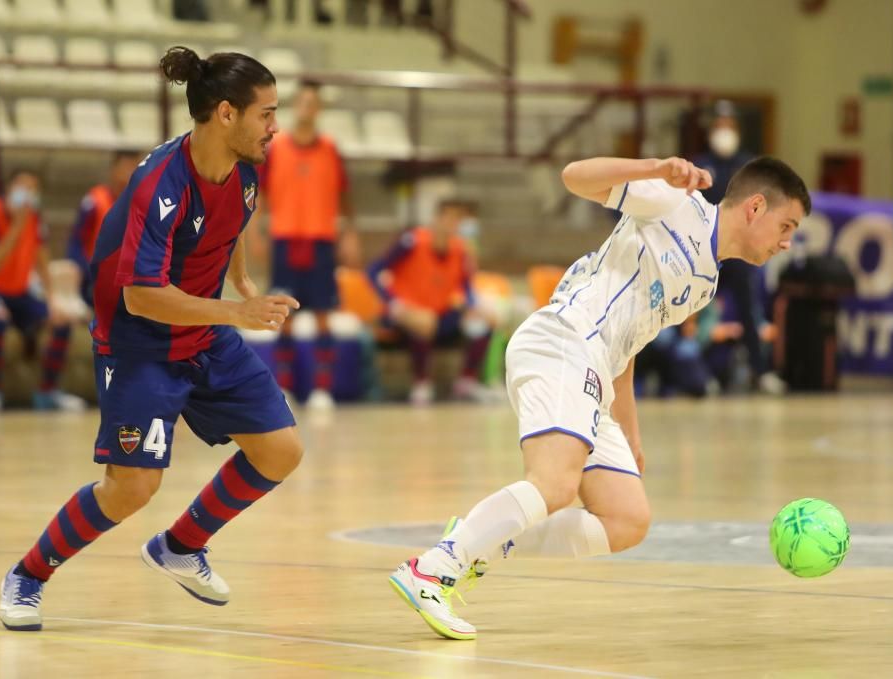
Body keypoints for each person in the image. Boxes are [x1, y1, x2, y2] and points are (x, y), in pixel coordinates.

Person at [389, 155, 809, 640]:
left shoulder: (705, 284)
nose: (787, 242)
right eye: (787, 225)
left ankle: (485, 537)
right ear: (756, 207)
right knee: (555, 484)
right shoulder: (676, 201)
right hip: (563, 341)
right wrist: (653, 168)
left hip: (596, 370)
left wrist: (628, 427)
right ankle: (434, 568)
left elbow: (628, 346)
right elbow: (574, 177)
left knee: (627, 519)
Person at [0, 46, 302, 632]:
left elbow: (232, 222)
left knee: (280, 450)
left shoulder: (243, 169)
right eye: (266, 113)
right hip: (140, 343)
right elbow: (141, 295)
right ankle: (29, 574)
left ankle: (181, 546)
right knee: (131, 488)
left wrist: (239, 279)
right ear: (225, 114)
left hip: (204, 331)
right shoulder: (160, 184)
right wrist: (237, 311)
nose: (275, 126)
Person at [254, 80, 357, 410]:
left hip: (321, 239)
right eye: (302, 103)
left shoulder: (329, 149)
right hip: (285, 238)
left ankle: (322, 388)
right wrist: (255, 231)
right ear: (293, 107)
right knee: (285, 314)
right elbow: (261, 196)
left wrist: (349, 233)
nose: (306, 109)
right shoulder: (276, 148)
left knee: (324, 314)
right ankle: (283, 387)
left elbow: (344, 195)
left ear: (319, 109)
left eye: (313, 103)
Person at [0, 170, 83, 413]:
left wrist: (52, 300)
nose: (28, 194)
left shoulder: (34, 218)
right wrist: (17, 226)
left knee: (62, 322)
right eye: (23, 187)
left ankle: (47, 392)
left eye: (33, 189)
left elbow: (42, 260)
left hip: (16, 291)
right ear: (9, 189)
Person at [693, 101, 783, 394]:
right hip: (707, 250)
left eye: (729, 125)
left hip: (741, 251)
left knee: (748, 309)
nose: (724, 131)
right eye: (719, 125)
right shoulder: (700, 165)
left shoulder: (749, 166)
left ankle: (761, 371)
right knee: (693, 307)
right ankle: (696, 374)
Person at [367, 198, 493, 405]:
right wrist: (393, 303)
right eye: (450, 217)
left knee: (483, 322)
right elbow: (373, 271)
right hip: (404, 313)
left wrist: (473, 305)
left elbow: (466, 286)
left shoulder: (460, 249)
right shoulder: (412, 242)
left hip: (440, 312)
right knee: (424, 322)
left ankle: (466, 381)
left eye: (459, 219)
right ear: (437, 218)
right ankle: (421, 383)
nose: (454, 224)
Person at [67, 150, 142, 307]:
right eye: (126, 167)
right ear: (113, 170)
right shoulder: (94, 201)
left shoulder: (143, 204)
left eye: (135, 168)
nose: (130, 173)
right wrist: (88, 272)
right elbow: (75, 243)